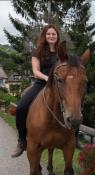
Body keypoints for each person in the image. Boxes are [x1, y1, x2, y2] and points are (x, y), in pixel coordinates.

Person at [11, 24, 60, 158]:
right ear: (45, 36)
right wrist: (46, 78)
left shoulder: (61, 52)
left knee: (74, 105)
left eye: (53, 34)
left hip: (58, 85)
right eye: (49, 34)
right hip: (41, 83)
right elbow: (35, 71)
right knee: (21, 108)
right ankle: (21, 141)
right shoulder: (38, 51)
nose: (51, 36)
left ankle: (74, 138)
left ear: (57, 36)